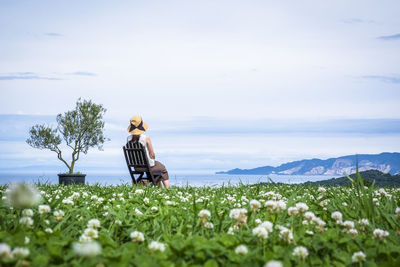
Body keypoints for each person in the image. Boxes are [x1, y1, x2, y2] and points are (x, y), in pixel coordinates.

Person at [126, 115, 170, 188]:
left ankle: (158, 188)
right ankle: (167, 190)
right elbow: (152, 155)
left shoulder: (128, 139)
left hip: (136, 167)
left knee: (154, 168)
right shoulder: (146, 138)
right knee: (162, 168)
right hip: (147, 166)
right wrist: (152, 159)